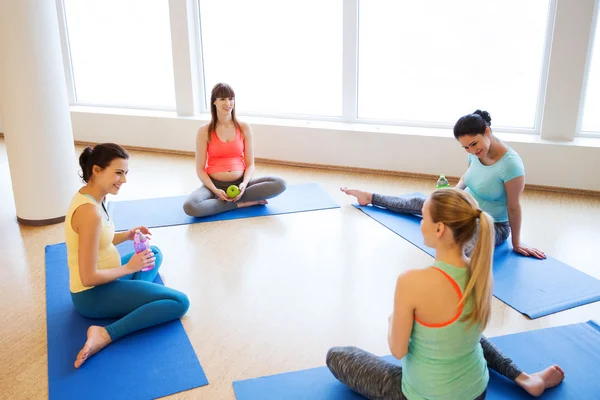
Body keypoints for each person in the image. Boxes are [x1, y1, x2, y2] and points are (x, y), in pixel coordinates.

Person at [326, 188, 564, 399]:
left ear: (439, 228)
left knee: (337, 355)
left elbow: (398, 351)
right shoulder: (480, 271)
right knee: (462, 331)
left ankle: (526, 379)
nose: (420, 222)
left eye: (423, 217)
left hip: (424, 395)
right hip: (476, 391)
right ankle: (524, 378)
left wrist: (392, 322)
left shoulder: (411, 281)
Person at [342, 110, 545, 259]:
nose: (471, 151)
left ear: (487, 131)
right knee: (423, 203)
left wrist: (516, 243)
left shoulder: (511, 166)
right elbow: (468, 176)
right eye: (465, 147)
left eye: (474, 144)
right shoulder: (475, 154)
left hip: (492, 225)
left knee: (460, 243)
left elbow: (514, 207)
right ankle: (370, 197)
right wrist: (452, 196)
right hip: (465, 210)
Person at [66, 143, 190, 368]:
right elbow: (87, 278)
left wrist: (127, 235)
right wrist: (129, 268)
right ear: (96, 170)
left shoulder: (95, 197)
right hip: (92, 294)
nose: (123, 180)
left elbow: (99, 240)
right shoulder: (89, 213)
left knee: (153, 252)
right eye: (118, 173)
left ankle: (133, 302)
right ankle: (105, 333)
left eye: (125, 173)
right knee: (180, 302)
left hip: (108, 277)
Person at [183, 83, 287, 217]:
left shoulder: (244, 127)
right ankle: (240, 203)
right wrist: (215, 189)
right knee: (190, 206)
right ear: (214, 101)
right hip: (214, 185)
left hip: (240, 184)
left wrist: (244, 184)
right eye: (222, 99)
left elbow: (250, 164)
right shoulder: (204, 131)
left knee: (280, 183)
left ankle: (230, 201)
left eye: (231, 98)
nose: (228, 103)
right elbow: (200, 169)